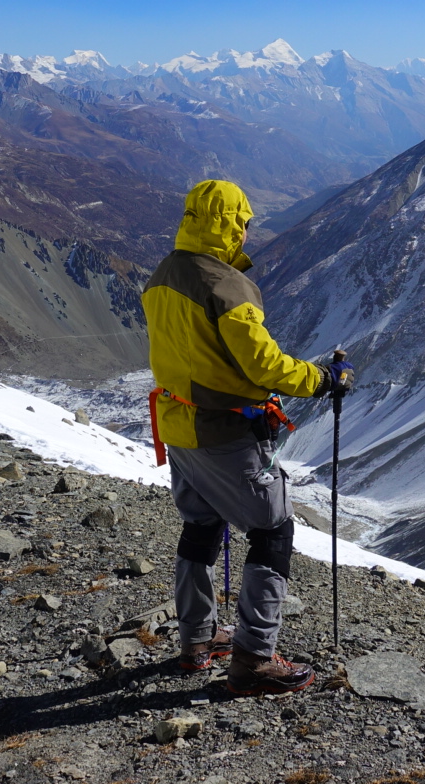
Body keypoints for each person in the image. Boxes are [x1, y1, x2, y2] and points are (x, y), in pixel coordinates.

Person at [142, 179, 344, 696]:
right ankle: (254, 658)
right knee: (272, 531)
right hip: (225, 433)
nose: (248, 233)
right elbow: (264, 363)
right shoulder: (225, 286)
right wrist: (320, 379)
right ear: (230, 224)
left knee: (201, 527)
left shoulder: (164, 273)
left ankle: (197, 641)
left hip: (178, 425)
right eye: (244, 223)